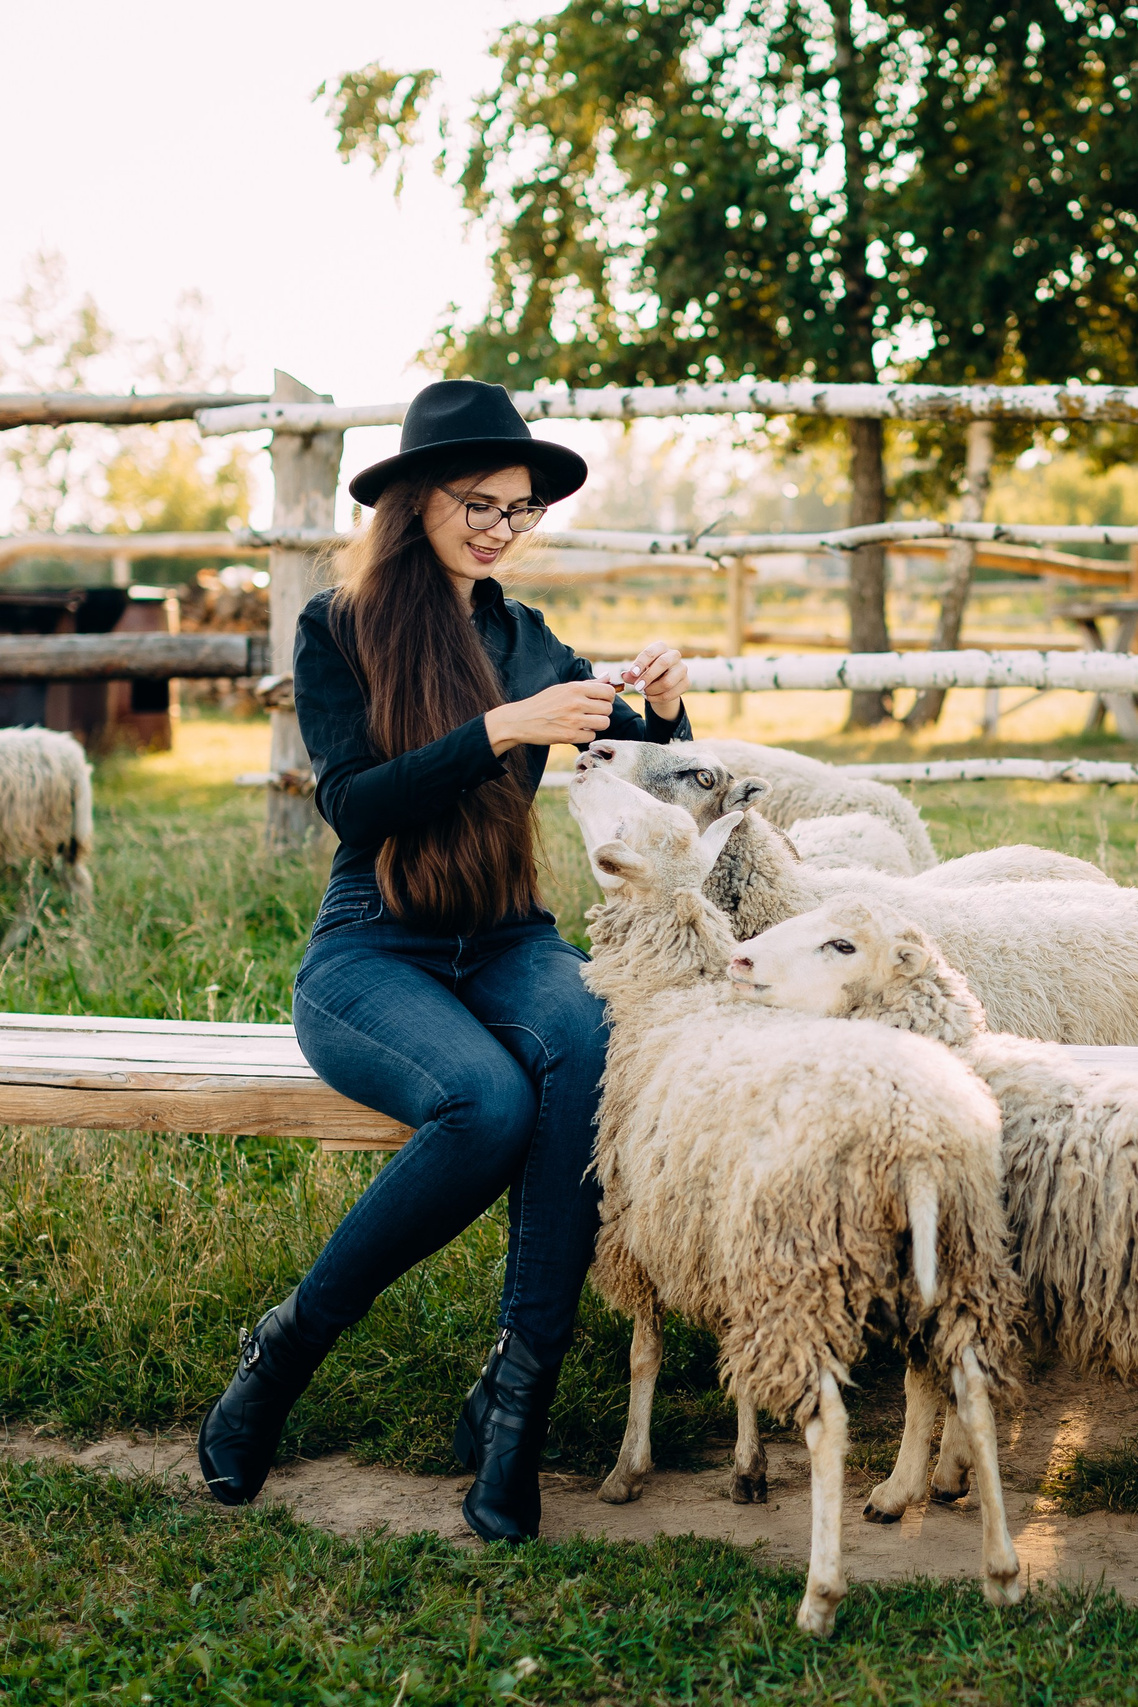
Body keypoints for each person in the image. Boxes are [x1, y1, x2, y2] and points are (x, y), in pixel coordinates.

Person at [197, 379, 692, 1542]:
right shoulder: (341, 624)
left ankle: (513, 1406)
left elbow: (639, 751)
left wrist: (661, 711)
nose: (498, 528)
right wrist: (500, 732)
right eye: (479, 503)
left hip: (509, 935)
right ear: (416, 498)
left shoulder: (526, 637)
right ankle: (284, 1352)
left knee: (581, 1043)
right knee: (483, 1101)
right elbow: (356, 806)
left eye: (519, 512)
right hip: (373, 944)